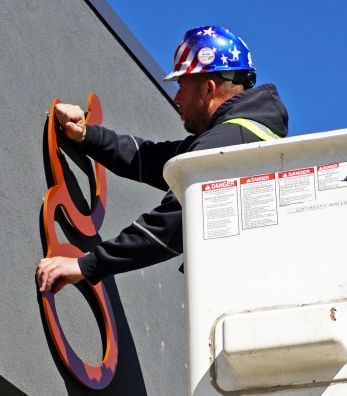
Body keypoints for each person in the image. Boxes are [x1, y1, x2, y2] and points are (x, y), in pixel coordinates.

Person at [36, 25, 289, 293]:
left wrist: (86, 265)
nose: (176, 97)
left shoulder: (228, 144)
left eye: (182, 85)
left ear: (208, 89)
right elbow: (149, 158)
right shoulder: (246, 137)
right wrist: (86, 135)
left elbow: (174, 221)